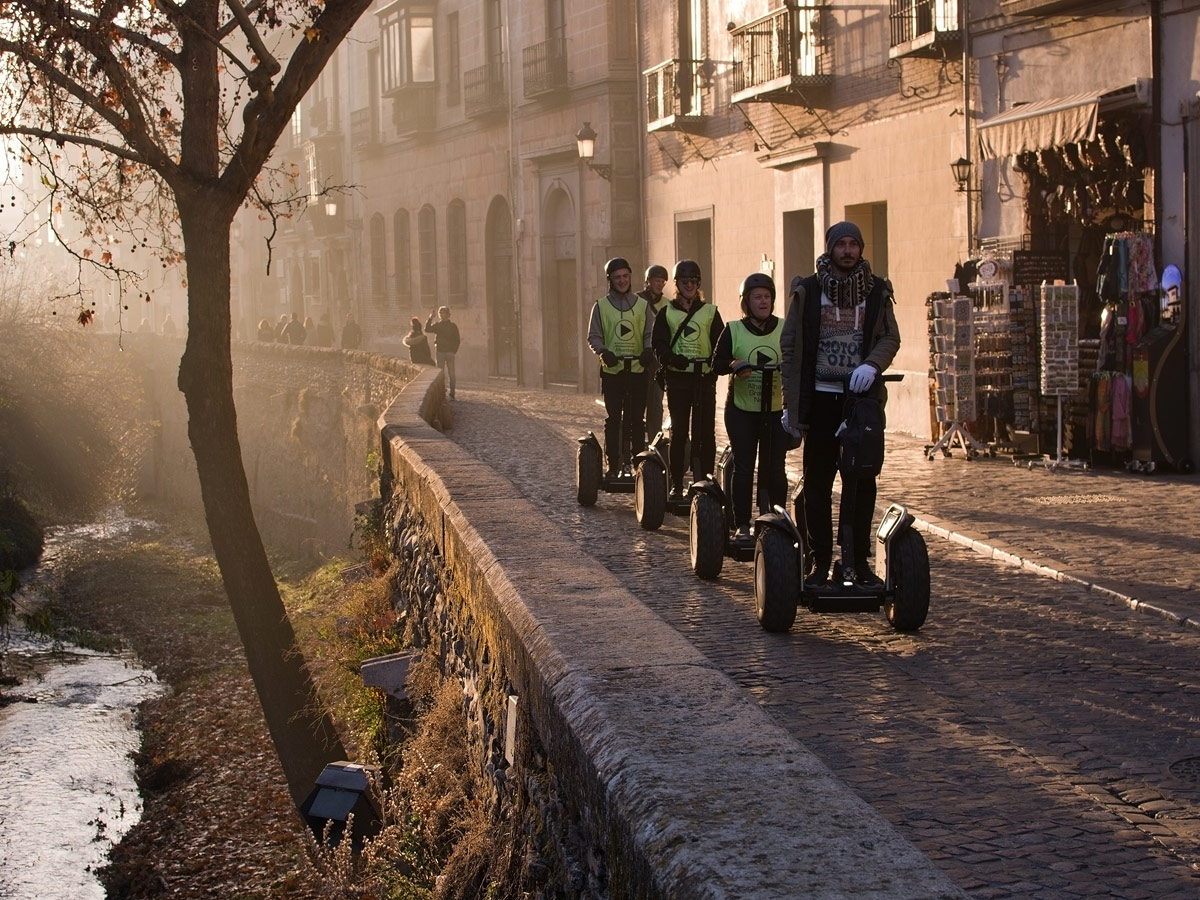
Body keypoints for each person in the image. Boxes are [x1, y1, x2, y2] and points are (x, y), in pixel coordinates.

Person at [780, 221, 900, 586]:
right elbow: (790, 347)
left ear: (860, 249)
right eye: (841, 245)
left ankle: (857, 562)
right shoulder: (809, 290)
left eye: (853, 245)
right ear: (830, 249)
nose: (847, 251)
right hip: (819, 401)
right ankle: (818, 561)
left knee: (861, 482)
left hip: (860, 404)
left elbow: (890, 337)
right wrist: (791, 406)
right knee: (817, 484)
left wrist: (872, 364)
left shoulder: (877, 291)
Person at [712, 273, 789, 542]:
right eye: (757, 297)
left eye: (767, 296)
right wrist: (734, 364)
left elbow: (796, 357)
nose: (763, 301)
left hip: (776, 410)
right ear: (746, 301)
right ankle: (742, 524)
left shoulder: (784, 327)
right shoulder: (733, 329)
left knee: (775, 467)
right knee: (745, 465)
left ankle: (776, 519)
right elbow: (717, 363)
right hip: (742, 411)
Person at [652, 259, 723, 500]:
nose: (690, 285)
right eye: (685, 281)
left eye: (693, 281)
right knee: (680, 432)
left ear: (698, 283)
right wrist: (671, 358)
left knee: (705, 433)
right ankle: (676, 482)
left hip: (703, 379)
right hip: (679, 380)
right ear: (677, 284)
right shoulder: (667, 313)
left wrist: (714, 367)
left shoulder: (710, 312)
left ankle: (704, 480)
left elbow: (720, 345)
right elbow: (658, 344)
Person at [586, 257, 655, 479]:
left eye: (625, 276)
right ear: (610, 280)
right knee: (614, 418)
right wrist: (603, 352)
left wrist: (648, 350)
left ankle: (637, 464)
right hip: (613, 371)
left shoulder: (643, 306)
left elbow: (649, 334)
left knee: (636, 419)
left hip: (636, 370)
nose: (622, 280)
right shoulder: (601, 306)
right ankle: (613, 464)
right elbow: (594, 336)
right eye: (617, 277)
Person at [638, 264, 670, 443]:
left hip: (657, 360)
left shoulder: (667, 305)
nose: (659, 284)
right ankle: (634, 440)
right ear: (648, 281)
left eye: (662, 281)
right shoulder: (635, 301)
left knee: (656, 403)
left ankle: (654, 441)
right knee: (637, 401)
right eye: (656, 281)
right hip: (639, 358)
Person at [425, 306, 462, 399]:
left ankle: (452, 393)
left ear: (448, 315)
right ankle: (441, 392)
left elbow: (457, 340)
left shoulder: (453, 326)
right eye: (440, 313)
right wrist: (430, 318)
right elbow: (427, 329)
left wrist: (453, 351)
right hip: (440, 352)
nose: (441, 315)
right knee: (440, 373)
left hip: (449, 353)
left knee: (451, 373)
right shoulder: (437, 325)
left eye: (443, 313)